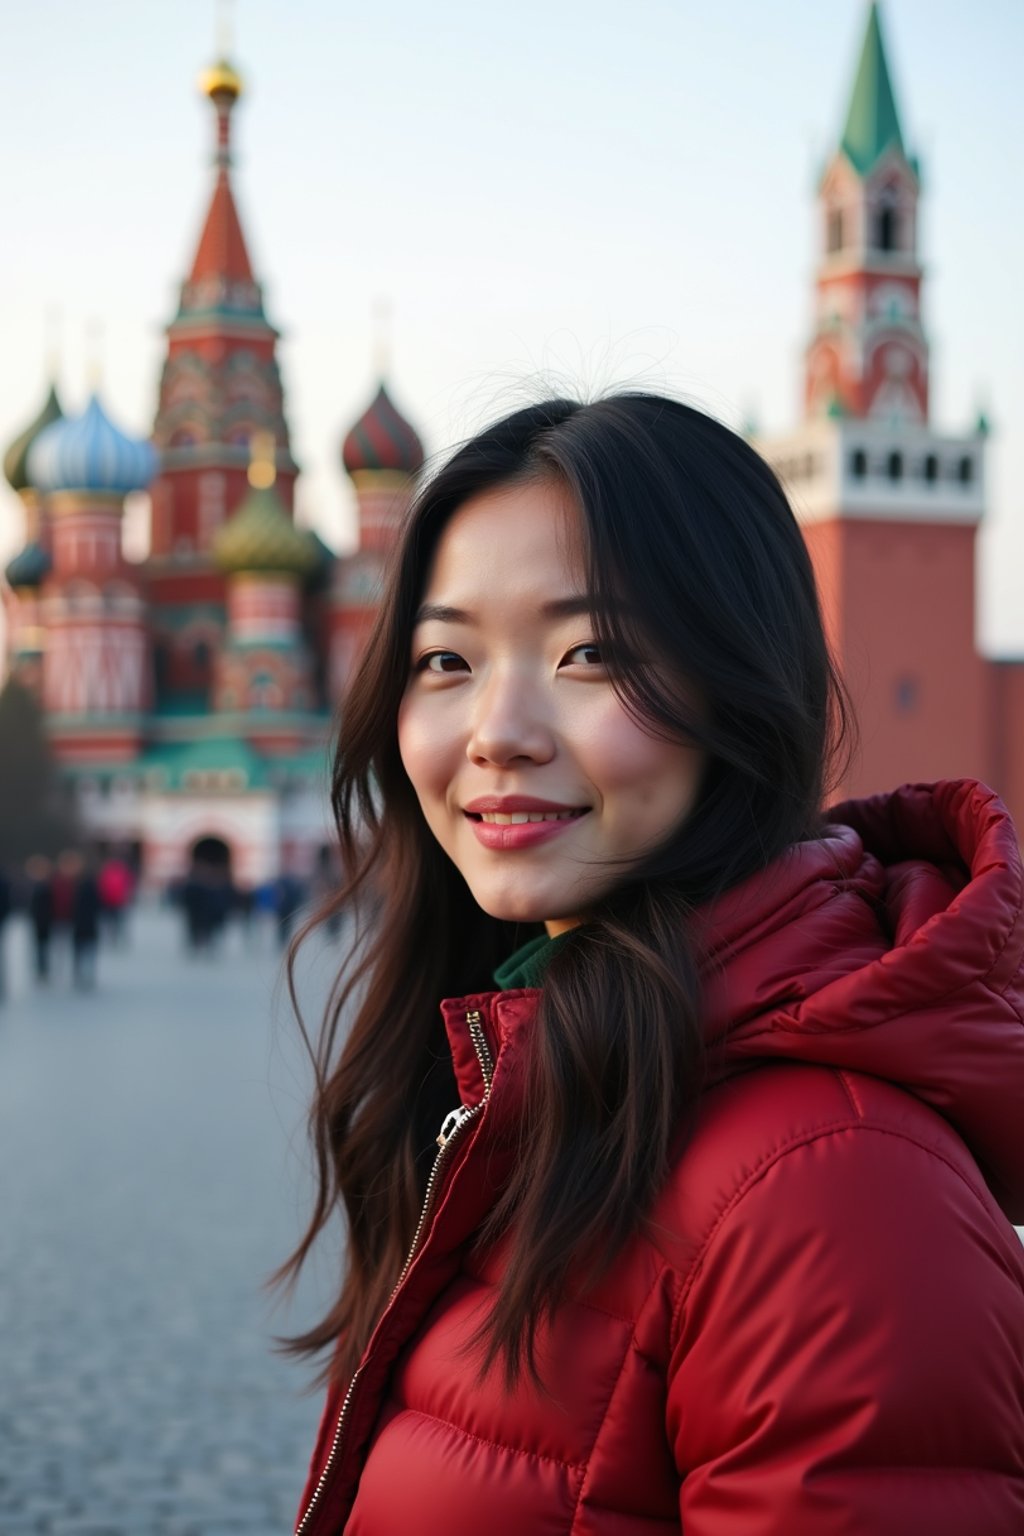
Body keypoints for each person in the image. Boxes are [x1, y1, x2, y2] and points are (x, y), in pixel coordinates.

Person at [280, 396, 1024, 1536]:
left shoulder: (834, 1188)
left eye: (589, 653)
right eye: (445, 658)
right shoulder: (538, 1074)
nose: (497, 730)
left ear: (738, 682)